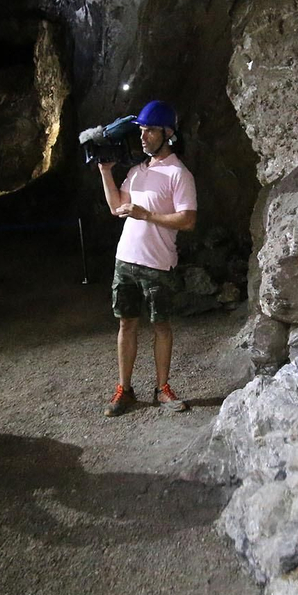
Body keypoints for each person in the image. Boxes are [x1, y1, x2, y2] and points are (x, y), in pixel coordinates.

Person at [97, 99, 197, 417]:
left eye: (150, 130)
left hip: (158, 262)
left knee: (161, 325)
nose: (143, 136)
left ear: (168, 133)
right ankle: (124, 390)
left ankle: (162, 389)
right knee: (127, 324)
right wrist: (105, 172)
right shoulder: (137, 171)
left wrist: (147, 214)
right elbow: (116, 208)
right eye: (141, 130)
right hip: (126, 258)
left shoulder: (179, 174)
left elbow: (188, 220)